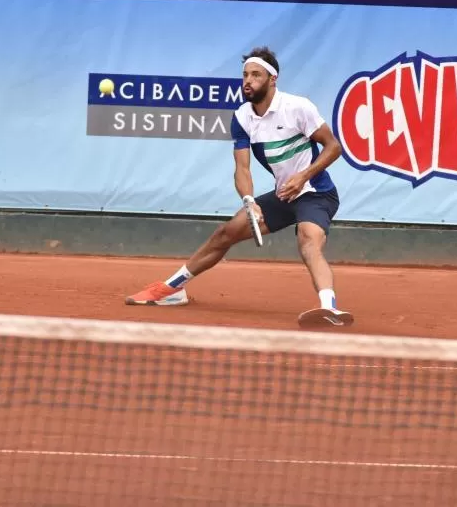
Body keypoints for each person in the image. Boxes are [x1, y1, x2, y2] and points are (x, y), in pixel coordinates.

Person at [125, 47, 353, 328]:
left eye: (256, 75)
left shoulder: (297, 107)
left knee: (308, 240)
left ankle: (329, 307)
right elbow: (242, 168)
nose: (248, 81)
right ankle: (171, 289)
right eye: (245, 75)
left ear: (272, 79)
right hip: (284, 195)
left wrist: (303, 176)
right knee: (226, 233)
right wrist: (249, 201)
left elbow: (333, 147)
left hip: (316, 193)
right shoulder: (242, 117)